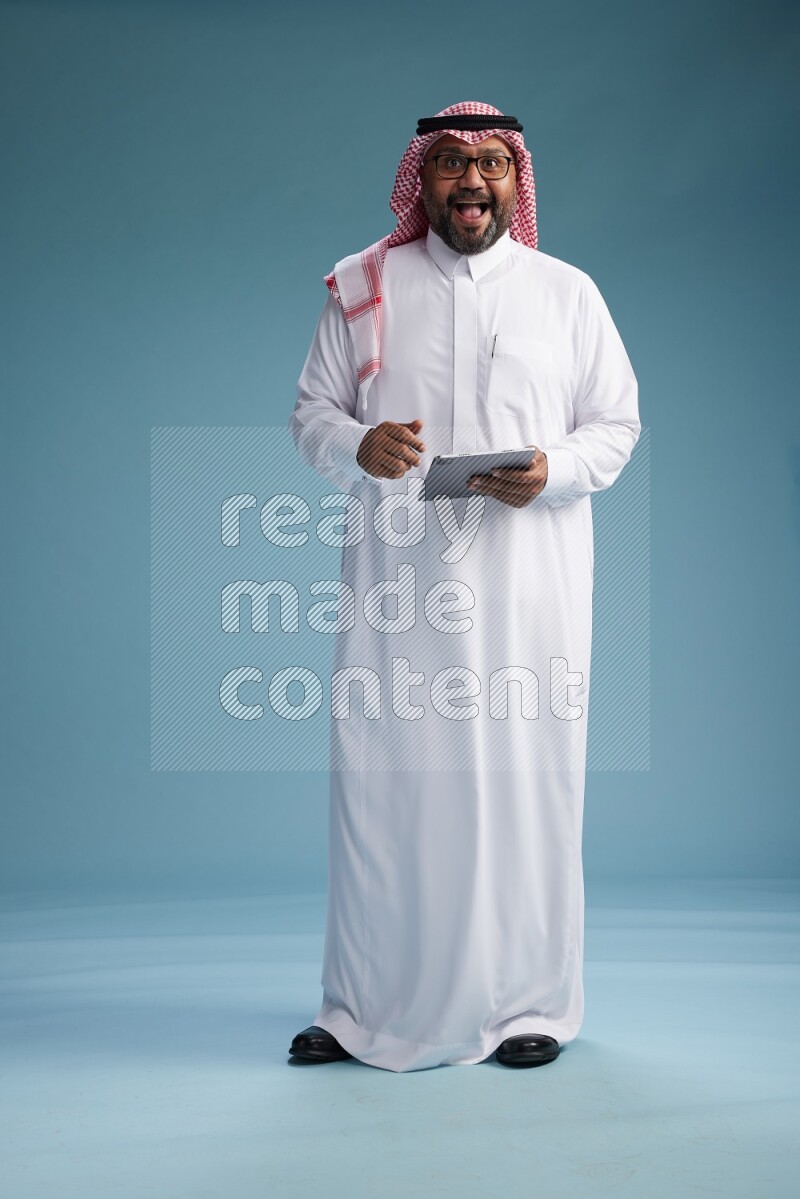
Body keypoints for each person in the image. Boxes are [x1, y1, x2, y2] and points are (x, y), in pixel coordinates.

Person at [286, 101, 640, 1072]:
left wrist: (551, 470)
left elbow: (612, 426)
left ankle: (531, 1001)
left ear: (515, 179)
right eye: (448, 163)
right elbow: (312, 411)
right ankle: (358, 1008)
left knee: (522, 788)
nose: (470, 180)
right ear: (420, 179)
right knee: (382, 791)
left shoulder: (565, 292)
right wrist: (358, 442)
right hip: (397, 589)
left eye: (489, 162)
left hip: (529, 590)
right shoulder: (364, 285)